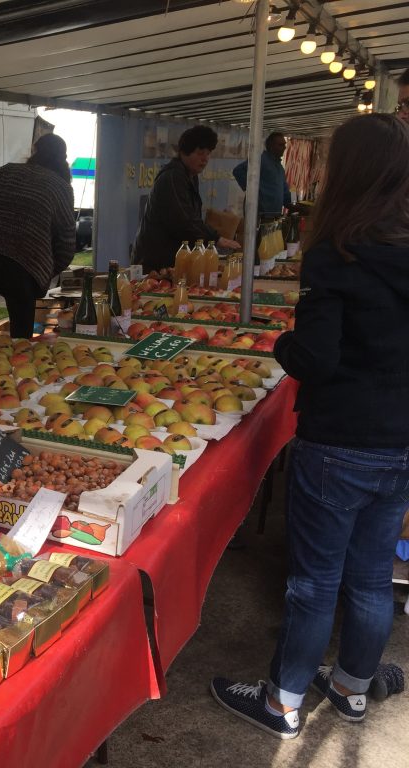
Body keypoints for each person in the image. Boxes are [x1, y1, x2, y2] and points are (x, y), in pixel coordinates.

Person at [211, 113, 409, 739]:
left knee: (314, 582)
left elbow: (316, 359)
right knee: (373, 576)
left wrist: (284, 344)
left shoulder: (337, 254)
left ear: (344, 174)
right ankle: (352, 686)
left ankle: (282, 701)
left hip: (340, 439)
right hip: (400, 440)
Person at [0, 134, 76, 343]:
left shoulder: (9, 171)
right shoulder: (62, 189)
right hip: (24, 272)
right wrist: (47, 268)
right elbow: (67, 245)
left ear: (34, 151)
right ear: (63, 157)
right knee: (20, 346)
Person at [133, 125, 240, 272]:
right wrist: (216, 239)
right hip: (156, 264)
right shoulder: (173, 177)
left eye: (208, 153)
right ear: (184, 152)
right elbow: (185, 220)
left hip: (173, 260)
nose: (205, 159)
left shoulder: (190, 176)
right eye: (200, 153)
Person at [233, 131, 292, 218]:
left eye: (284, 144)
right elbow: (238, 171)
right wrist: (251, 189)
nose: (284, 147)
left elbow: (284, 190)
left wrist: (291, 205)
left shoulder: (280, 168)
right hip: (258, 215)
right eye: (280, 145)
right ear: (271, 146)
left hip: (274, 215)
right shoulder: (261, 160)